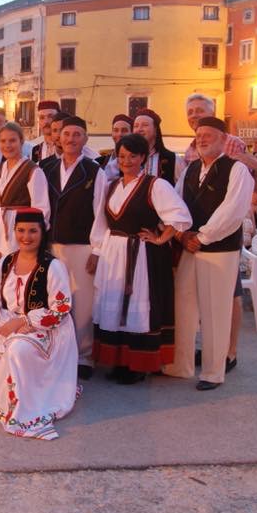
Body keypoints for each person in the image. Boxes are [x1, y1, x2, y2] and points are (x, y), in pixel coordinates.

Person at [91, 134, 191, 384]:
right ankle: (119, 360)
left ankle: (137, 365)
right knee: (116, 306)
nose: (126, 161)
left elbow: (180, 215)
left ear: (143, 157)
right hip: (114, 252)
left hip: (141, 256)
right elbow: (101, 222)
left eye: (132, 156)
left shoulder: (155, 185)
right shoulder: (112, 185)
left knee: (137, 307)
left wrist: (160, 238)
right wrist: (98, 251)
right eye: (121, 156)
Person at [165, 117, 253, 391]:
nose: (202, 139)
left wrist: (201, 237)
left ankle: (213, 372)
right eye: (199, 135)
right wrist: (182, 235)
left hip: (219, 250)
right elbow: (176, 204)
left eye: (208, 135)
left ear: (223, 139)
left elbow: (232, 211)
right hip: (190, 247)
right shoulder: (191, 169)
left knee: (216, 311)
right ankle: (181, 365)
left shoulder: (237, 169)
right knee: (183, 306)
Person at [0, 208, 80, 440]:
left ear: (42, 232)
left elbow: (61, 308)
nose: (26, 237)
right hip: (13, 325)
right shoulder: (6, 262)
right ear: (14, 231)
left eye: (33, 231)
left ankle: (25, 408)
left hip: (49, 330)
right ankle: (13, 399)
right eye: (21, 230)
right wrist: (7, 322)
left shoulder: (53, 266)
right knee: (15, 344)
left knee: (18, 348)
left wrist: (24, 321)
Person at [43, 116, 107, 380]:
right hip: (52, 245)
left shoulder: (94, 171)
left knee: (82, 302)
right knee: (54, 301)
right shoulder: (46, 168)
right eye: (67, 134)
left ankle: (84, 356)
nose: (71, 139)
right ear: (59, 137)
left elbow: (100, 212)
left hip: (82, 246)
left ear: (85, 139)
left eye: (77, 134)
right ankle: (55, 352)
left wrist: (97, 249)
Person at [0, 121, 50, 274]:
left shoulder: (33, 170)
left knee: (14, 272)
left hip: (18, 229)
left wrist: (32, 237)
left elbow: (42, 209)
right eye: (3, 141)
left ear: (21, 141)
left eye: (12, 140)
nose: (7, 145)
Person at [133, 109, 185, 184]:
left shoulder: (173, 159)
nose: (139, 129)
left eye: (145, 125)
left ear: (155, 129)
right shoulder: (127, 159)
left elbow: (182, 188)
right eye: (136, 126)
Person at [97, 114, 133, 178]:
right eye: (116, 130)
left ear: (132, 133)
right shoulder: (100, 162)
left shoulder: (137, 162)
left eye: (124, 130)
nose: (120, 134)